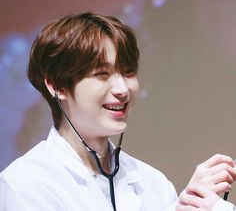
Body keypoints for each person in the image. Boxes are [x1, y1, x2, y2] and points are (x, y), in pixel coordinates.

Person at [0, 12, 236, 211]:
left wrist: (193, 203)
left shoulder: (153, 183)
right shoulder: (25, 184)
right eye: (102, 74)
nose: (122, 89)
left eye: (128, 72)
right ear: (57, 85)